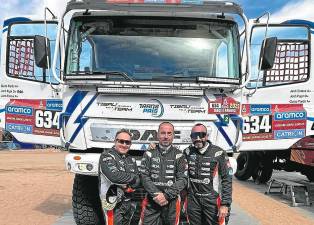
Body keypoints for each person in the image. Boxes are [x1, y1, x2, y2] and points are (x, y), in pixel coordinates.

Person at [139, 122, 188, 225]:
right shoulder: (149, 153)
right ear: (157, 135)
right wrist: (157, 195)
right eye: (163, 133)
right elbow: (144, 177)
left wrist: (166, 195)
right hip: (152, 200)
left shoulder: (179, 155)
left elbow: (183, 179)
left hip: (172, 202)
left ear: (173, 135)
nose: (166, 136)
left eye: (169, 133)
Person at [184, 123, 232, 225]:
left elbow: (227, 180)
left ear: (207, 136)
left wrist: (225, 204)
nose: (198, 138)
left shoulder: (219, 153)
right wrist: (154, 147)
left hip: (213, 201)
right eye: (194, 136)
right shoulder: (187, 152)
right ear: (191, 137)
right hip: (193, 201)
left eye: (201, 135)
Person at [99, 129, 140, 225]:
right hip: (112, 203)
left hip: (128, 203)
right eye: (121, 141)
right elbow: (114, 176)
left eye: (127, 142)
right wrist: (132, 178)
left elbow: (138, 181)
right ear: (115, 141)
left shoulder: (131, 159)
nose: (124, 144)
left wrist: (132, 180)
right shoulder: (107, 155)